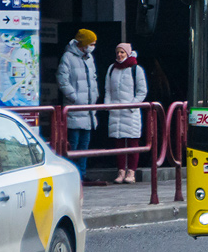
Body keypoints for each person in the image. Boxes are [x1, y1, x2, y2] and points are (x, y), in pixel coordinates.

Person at [58, 29, 99, 180]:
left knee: (85, 146)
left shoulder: (89, 58)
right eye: (91, 43)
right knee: (73, 144)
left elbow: (93, 78)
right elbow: (63, 81)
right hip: (75, 107)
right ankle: (71, 175)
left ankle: (82, 174)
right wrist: (74, 97)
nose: (93, 46)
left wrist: (94, 95)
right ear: (83, 43)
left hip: (88, 109)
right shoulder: (68, 58)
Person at [104, 43, 148, 183]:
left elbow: (142, 91)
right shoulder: (112, 69)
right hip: (116, 112)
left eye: (122, 52)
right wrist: (108, 106)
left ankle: (131, 172)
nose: (119, 55)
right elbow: (108, 90)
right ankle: (121, 171)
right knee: (119, 142)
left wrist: (133, 105)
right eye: (117, 52)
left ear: (128, 53)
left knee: (133, 142)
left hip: (131, 112)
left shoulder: (136, 69)